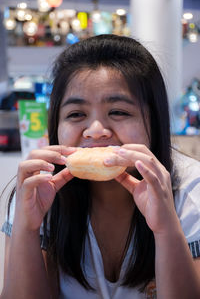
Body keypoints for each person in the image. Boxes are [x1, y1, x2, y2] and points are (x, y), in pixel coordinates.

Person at [1, 34, 200, 299]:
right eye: (76, 115)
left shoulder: (191, 192)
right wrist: (27, 228)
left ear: (155, 120)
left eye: (118, 112)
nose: (95, 131)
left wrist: (166, 230)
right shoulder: (37, 190)